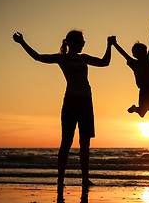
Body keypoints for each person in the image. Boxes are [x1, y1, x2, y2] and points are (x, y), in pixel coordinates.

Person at [13, 30, 115, 188]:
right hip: (71, 102)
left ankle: (85, 179)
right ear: (72, 43)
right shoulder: (62, 58)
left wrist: (109, 45)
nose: (83, 44)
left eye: (83, 42)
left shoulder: (84, 58)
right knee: (66, 142)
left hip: (86, 102)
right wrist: (22, 42)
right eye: (81, 42)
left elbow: (104, 62)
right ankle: (60, 179)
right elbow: (38, 57)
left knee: (85, 143)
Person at [111, 24, 149, 117]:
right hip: (144, 89)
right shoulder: (134, 63)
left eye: (142, 51)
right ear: (134, 55)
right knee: (142, 113)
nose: (141, 53)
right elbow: (124, 54)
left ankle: (142, 108)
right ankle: (137, 108)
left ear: (145, 52)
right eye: (138, 52)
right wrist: (114, 44)